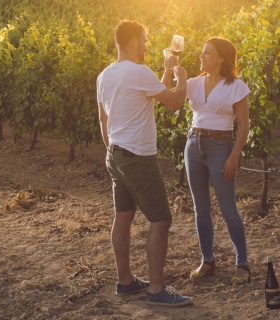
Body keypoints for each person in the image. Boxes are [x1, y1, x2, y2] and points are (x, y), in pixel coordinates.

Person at [96, 19, 193, 307]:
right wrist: (182, 78)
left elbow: (106, 117)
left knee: (123, 216)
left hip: (115, 153)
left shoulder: (105, 75)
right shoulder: (137, 72)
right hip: (138, 156)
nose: (148, 45)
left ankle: (125, 282)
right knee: (161, 219)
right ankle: (157, 290)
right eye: (145, 39)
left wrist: (164, 72)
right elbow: (174, 101)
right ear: (134, 40)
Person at [163, 37, 251, 284]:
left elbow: (244, 124)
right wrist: (169, 71)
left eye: (208, 53)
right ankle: (207, 260)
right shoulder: (193, 82)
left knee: (228, 209)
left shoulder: (236, 86)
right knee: (200, 208)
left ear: (221, 58)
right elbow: (170, 99)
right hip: (193, 145)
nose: (202, 56)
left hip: (221, 147)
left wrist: (234, 155)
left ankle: (242, 262)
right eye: (202, 52)